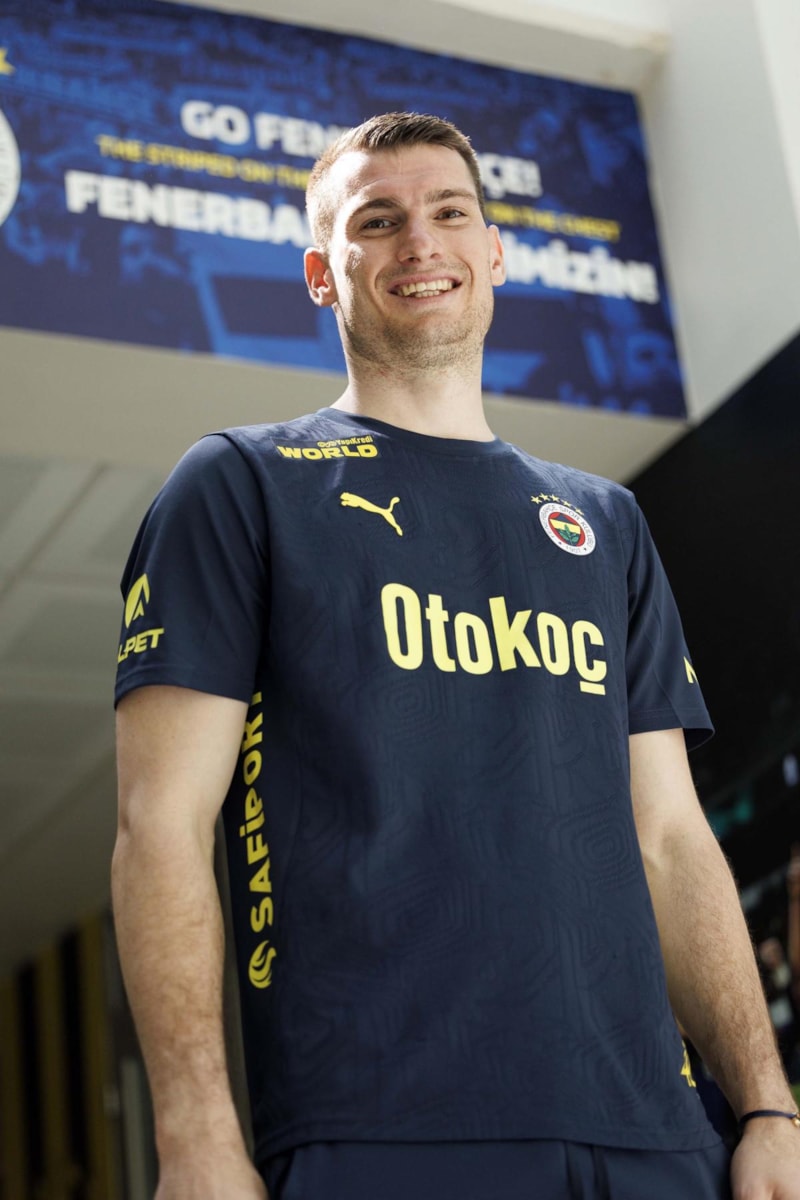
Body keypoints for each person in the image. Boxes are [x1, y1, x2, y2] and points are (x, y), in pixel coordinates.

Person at [112, 112, 800, 1200]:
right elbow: (161, 824)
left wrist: (764, 1104)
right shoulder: (242, 485)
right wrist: (195, 1136)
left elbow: (670, 837)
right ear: (321, 275)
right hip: (381, 1128)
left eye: (449, 212)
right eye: (376, 221)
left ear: (494, 253)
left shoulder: (604, 523)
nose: (420, 242)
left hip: (655, 1135)